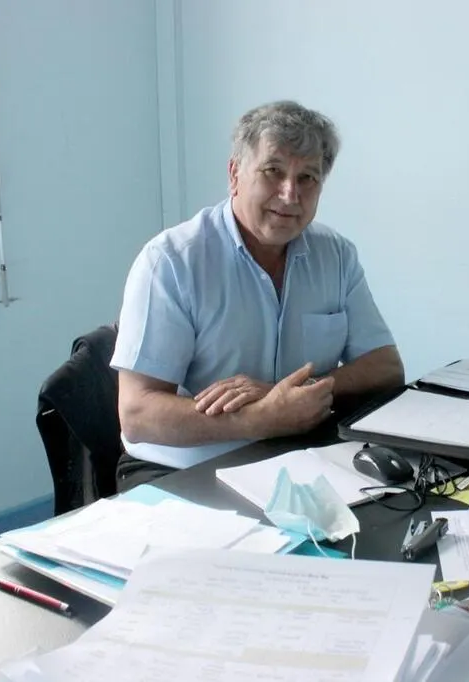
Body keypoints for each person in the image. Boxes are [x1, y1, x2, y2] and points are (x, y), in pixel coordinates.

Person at [110, 100, 404, 492]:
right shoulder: (171, 262)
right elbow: (137, 414)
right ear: (235, 174)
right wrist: (261, 417)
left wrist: (298, 391)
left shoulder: (336, 255)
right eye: (273, 171)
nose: (290, 194)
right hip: (183, 469)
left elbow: (386, 367)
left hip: (297, 455)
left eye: (307, 178)